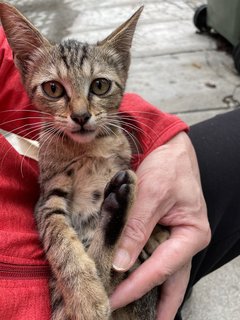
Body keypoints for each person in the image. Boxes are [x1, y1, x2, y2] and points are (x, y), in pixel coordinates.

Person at [0, 24, 239, 320]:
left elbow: (6, 71)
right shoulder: (54, 153)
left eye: (98, 86)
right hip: (66, 293)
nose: (80, 111)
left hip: (132, 253)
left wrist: (165, 137)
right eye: (55, 89)